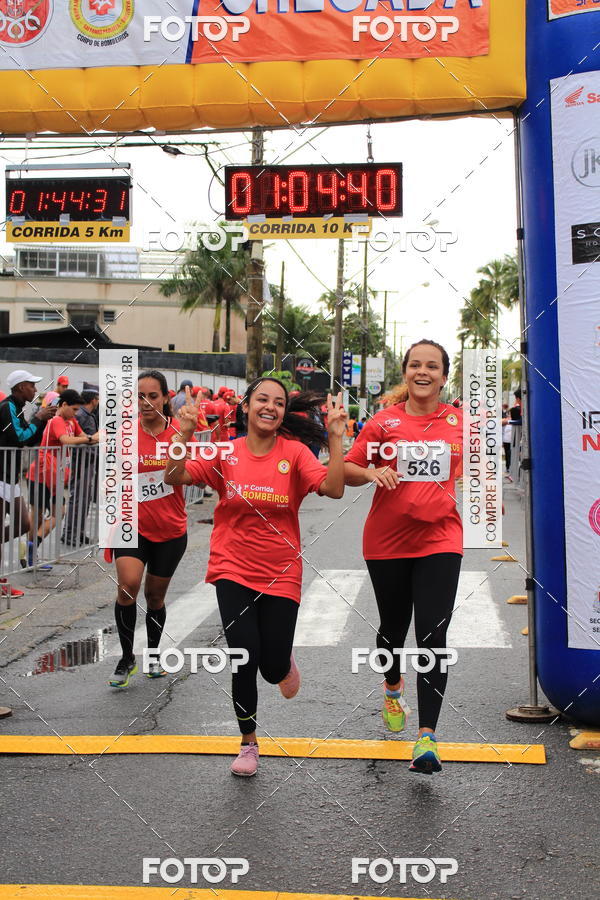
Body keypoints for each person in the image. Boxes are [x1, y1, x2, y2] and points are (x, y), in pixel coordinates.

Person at [165, 377, 347, 777]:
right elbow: (174, 477)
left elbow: (333, 489)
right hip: (232, 567)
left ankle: (283, 661)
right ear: (245, 407)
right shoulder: (225, 453)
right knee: (243, 655)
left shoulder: (295, 454)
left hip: (281, 570)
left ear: (284, 412)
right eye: (262, 399)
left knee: (271, 667)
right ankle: (248, 743)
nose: (270, 407)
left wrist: (336, 438)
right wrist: (183, 432)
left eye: (278, 403)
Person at [344, 339, 463, 776]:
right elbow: (349, 469)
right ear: (406, 372)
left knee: (433, 633)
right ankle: (392, 687)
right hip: (387, 541)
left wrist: (491, 501)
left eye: (432, 366)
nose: (423, 372)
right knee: (393, 629)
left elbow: (484, 468)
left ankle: (427, 737)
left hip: (440, 539)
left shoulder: (459, 422)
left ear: (444, 376)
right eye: (416, 365)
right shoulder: (383, 421)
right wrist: (372, 471)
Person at [107, 370, 193, 689]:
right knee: (128, 586)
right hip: (131, 525)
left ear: (166, 397)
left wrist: (182, 439)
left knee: (154, 596)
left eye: (152, 396)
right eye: (139, 396)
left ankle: (153, 655)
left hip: (170, 529)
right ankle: (127, 657)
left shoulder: (179, 432)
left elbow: (185, 473)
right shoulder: (125, 434)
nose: (145, 402)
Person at [0, 370, 56, 596]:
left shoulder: (18, 407)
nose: (35, 390)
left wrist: (42, 421)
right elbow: (19, 437)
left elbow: (30, 440)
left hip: (10, 478)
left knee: (23, 525)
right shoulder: (7, 407)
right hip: (1, 477)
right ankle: (2, 584)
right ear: (21, 386)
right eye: (32, 385)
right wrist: (38, 418)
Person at [27, 389, 97, 567]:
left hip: (55, 475)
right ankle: (29, 554)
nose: (76, 413)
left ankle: (32, 547)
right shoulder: (57, 420)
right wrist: (91, 438)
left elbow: (83, 437)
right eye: (74, 409)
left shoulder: (71, 420)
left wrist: (91, 438)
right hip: (41, 474)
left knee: (59, 512)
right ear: (63, 405)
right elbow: (67, 439)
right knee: (38, 516)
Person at [62, 390, 100, 547]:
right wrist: (93, 438)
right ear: (93, 400)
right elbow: (76, 438)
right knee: (78, 498)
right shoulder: (81, 415)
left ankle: (79, 531)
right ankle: (69, 533)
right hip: (80, 461)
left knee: (85, 499)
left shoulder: (87, 415)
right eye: (97, 398)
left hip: (88, 460)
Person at [502, 403, 513, 481]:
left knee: (511, 454)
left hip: (512, 440)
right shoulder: (506, 421)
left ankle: (511, 467)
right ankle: (508, 467)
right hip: (506, 440)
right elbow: (502, 430)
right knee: (507, 454)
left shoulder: (511, 421)